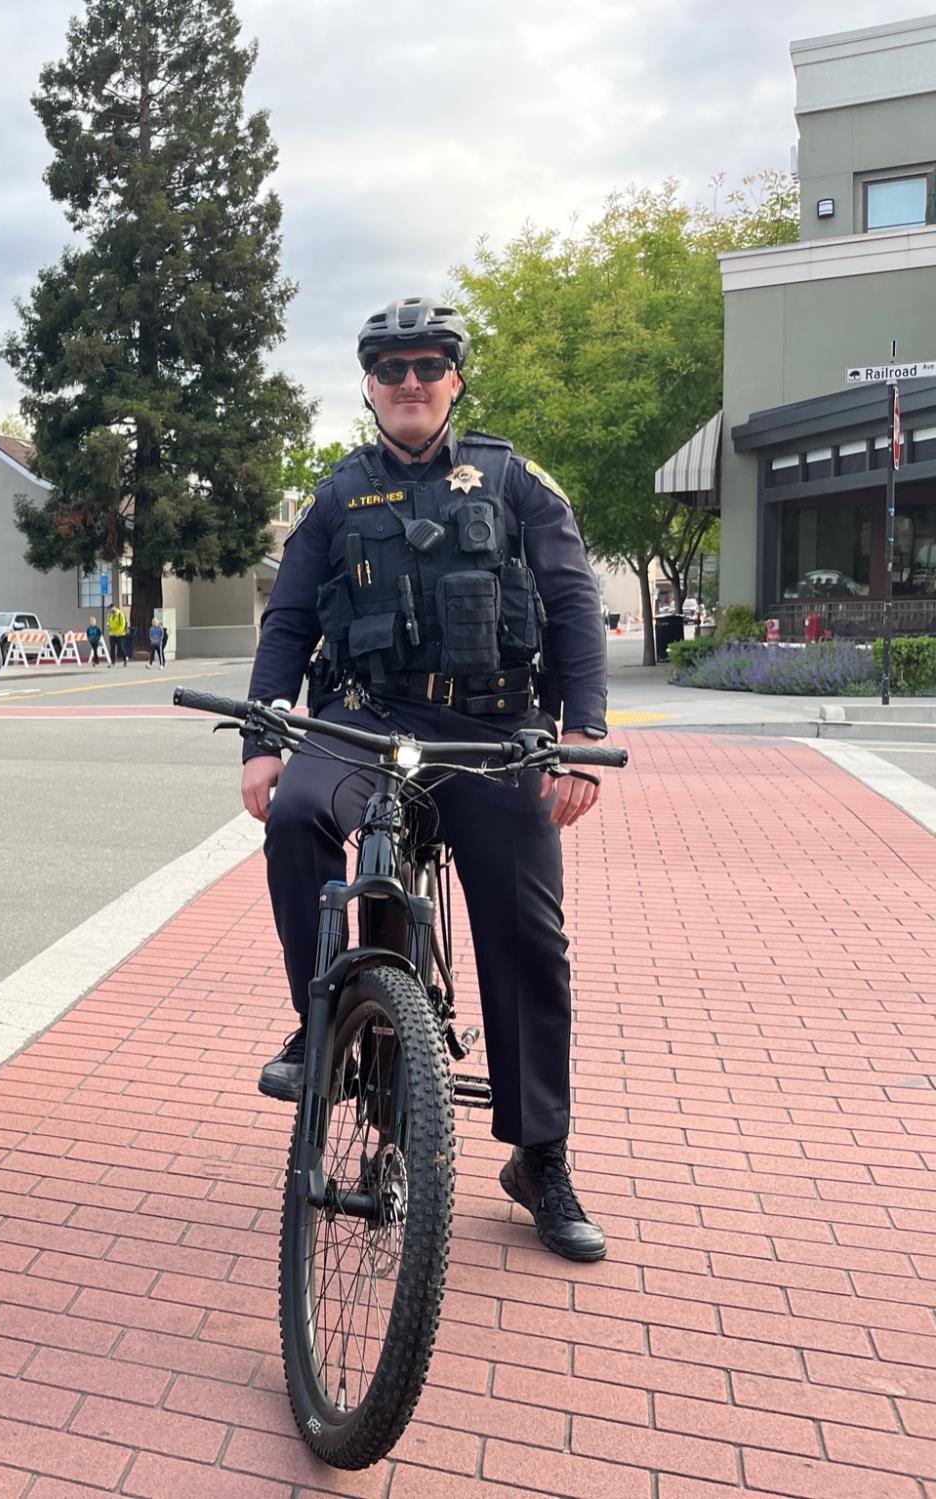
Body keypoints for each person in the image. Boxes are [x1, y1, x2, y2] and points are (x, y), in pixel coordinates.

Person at [243, 297, 612, 1262]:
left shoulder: (513, 478)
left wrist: (581, 734)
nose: (410, 382)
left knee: (530, 934)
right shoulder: (337, 495)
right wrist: (263, 734)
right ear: (368, 385)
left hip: (492, 731)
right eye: (392, 368)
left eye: (428, 366)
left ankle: (541, 1154)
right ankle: (322, 1024)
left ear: (455, 378)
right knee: (292, 822)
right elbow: (287, 618)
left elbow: (574, 602)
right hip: (368, 723)